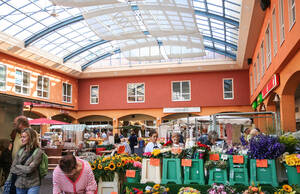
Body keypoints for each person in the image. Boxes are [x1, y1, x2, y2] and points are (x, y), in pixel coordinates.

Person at [9, 128, 44, 194]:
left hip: (33, 184)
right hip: (19, 184)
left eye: (24, 137)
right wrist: (24, 169)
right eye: (21, 137)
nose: (22, 139)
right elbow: (12, 169)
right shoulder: (21, 150)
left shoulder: (38, 151)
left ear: (31, 138)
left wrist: (17, 166)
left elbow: (29, 170)